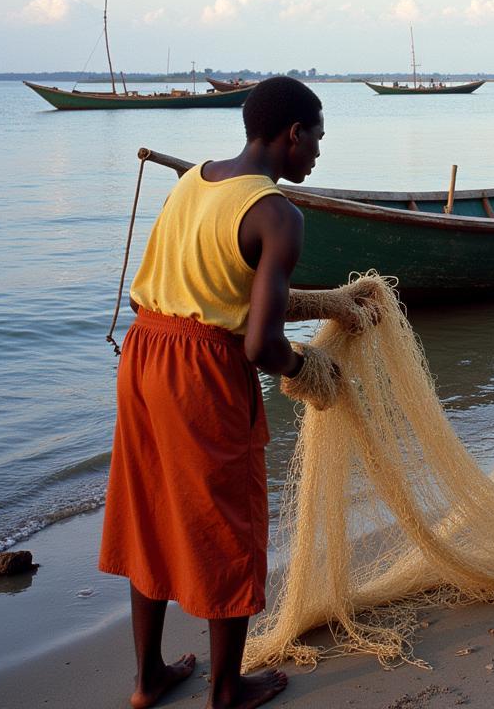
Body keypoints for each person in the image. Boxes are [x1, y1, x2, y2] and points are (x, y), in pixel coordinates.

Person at [99, 76, 370, 709]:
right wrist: (310, 371)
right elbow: (257, 346)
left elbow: (212, 290)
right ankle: (225, 688)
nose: (319, 155)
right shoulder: (280, 215)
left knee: (153, 509)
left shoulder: (193, 179)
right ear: (292, 134)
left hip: (142, 357)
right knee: (227, 522)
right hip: (202, 374)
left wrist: (320, 307)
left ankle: (147, 680)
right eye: (318, 139)